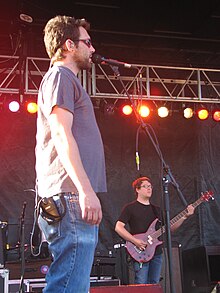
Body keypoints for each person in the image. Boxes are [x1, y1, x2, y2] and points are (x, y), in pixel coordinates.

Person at [35, 15, 107, 293]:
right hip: (71, 195)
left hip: (71, 195)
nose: (92, 49)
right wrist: (85, 190)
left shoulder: (66, 81)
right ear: (68, 45)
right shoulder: (60, 77)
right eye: (87, 42)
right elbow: (62, 134)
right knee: (70, 285)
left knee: (73, 282)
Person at [115, 176, 194, 285]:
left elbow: (170, 228)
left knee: (154, 284)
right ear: (137, 190)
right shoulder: (130, 208)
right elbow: (118, 227)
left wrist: (184, 216)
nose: (149, 189)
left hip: (156, 252)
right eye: (145, 186)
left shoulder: (157, 210)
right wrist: (135, 241)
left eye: (150, 186)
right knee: (141, 284)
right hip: (140, 251)